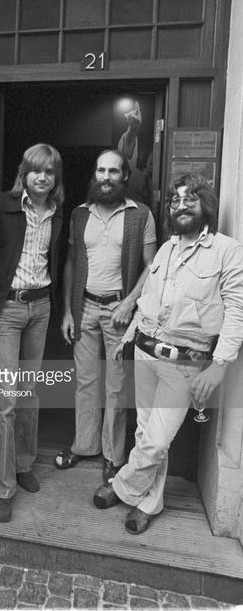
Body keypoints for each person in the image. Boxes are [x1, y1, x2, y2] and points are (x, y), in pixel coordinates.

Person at [93, 173, 243, 534]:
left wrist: (220, 366)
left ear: (204, 204)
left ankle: (122, 484)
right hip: (145, 351)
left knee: (158, 439)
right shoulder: (166, 248)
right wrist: (128, 337)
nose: (181, 206)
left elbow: (237, 310)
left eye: (189, 199)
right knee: (146, 435)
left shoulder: (227, 250)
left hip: (184, 363)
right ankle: (148, 503)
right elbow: (148, 299)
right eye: (175, 201)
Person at [55, 149, 156, 484]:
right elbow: (70, 261)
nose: (107, 177)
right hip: (84, 308)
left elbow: (152, 267)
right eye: (101, 170)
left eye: (114, 171)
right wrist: (68, 309)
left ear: (125, 176)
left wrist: (130, 302)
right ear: (95, 175)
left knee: (116, 386)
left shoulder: (141, 214)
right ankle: (84, 446)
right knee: (85, 382)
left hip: (119, 311)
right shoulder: (79, 214)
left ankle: (113, 456)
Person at [0, 144, 64, 522]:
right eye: (36, 170)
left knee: (30, 392)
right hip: (8, 308)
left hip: (41, 306)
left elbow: (60, 261)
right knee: (6, 399)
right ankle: (1, 487)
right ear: (24, 173)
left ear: (56, 178)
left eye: (49, 171)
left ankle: (23, 463)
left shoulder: (57, 213)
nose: (42, 177)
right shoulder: (0, 205)